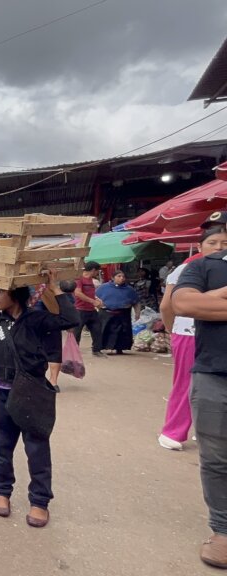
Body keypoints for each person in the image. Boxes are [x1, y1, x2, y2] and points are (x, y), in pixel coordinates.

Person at [0, 275, 78, 531]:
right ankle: (2, 492)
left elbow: (70, 320)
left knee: (37, 449)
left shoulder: (36, 319)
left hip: (31, 392)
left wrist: (54, 288)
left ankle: (40, 501)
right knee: (2, 448)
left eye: (0, 292)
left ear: (16, 293)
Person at [171, 210, 227, 569]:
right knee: (217, 458)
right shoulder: (201, 267)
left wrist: (216, 301)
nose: (219, 245)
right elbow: (184, 304)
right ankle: (223, 530)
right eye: (213, 240)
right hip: (213, 373)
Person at [159, 221, 227, 452]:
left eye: (224, 243)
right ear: (200, 246)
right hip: (188, 333)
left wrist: (206, 299)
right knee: (187, 383)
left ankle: (205, 428)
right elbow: (169, 305)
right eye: (212, 242)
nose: (218, 247)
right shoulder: (187, 269)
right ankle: (173, 431)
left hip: (213, 334)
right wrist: (172, 331)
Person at [96, 271, 140, 355]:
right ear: (113, 278)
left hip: (123, 313)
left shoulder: (129, 289)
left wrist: (137, 313)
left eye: (123, 277)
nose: (122, 278)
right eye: (119, 276)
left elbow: (136, 302)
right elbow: (95, 297)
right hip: (106, 313)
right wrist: (97, 306)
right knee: (106, 331)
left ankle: (120, 349)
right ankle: (107, 347)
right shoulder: (103, 287)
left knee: (122, 332)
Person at [72, 262, 106, 358]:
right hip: (80, 310)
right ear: (93, 270)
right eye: (97, 271)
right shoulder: (79, 279)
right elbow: (78, 293)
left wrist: (97, 300)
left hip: (91, 310)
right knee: (77, 332)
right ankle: (74, 352)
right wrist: (93, 301)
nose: (97, 273)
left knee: (97, 330)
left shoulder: (91, 280)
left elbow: (90, 293)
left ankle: (96, 350)